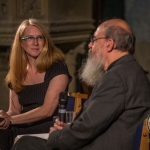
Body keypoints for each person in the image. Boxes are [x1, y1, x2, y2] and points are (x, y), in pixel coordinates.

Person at [11, 18, 150, 150]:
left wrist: (56, 135)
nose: (90, 45)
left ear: (110, 44)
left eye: (94, 40)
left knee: (26, 144)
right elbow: (96, 121)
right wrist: (69, 128)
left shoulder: (116, 77)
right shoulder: (131, 70)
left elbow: (88, 126)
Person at [0, 18, 72, 150]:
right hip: (20, 127)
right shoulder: (16, 71)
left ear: (45, 41)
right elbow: (14, 110)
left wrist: (11, 120)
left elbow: (47, 110)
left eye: (40, 37)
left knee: (25, 143)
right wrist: (4, 118)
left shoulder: (58, 68)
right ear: (21, 43)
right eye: (29, 38)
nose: (35, 42)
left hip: (48, 128)